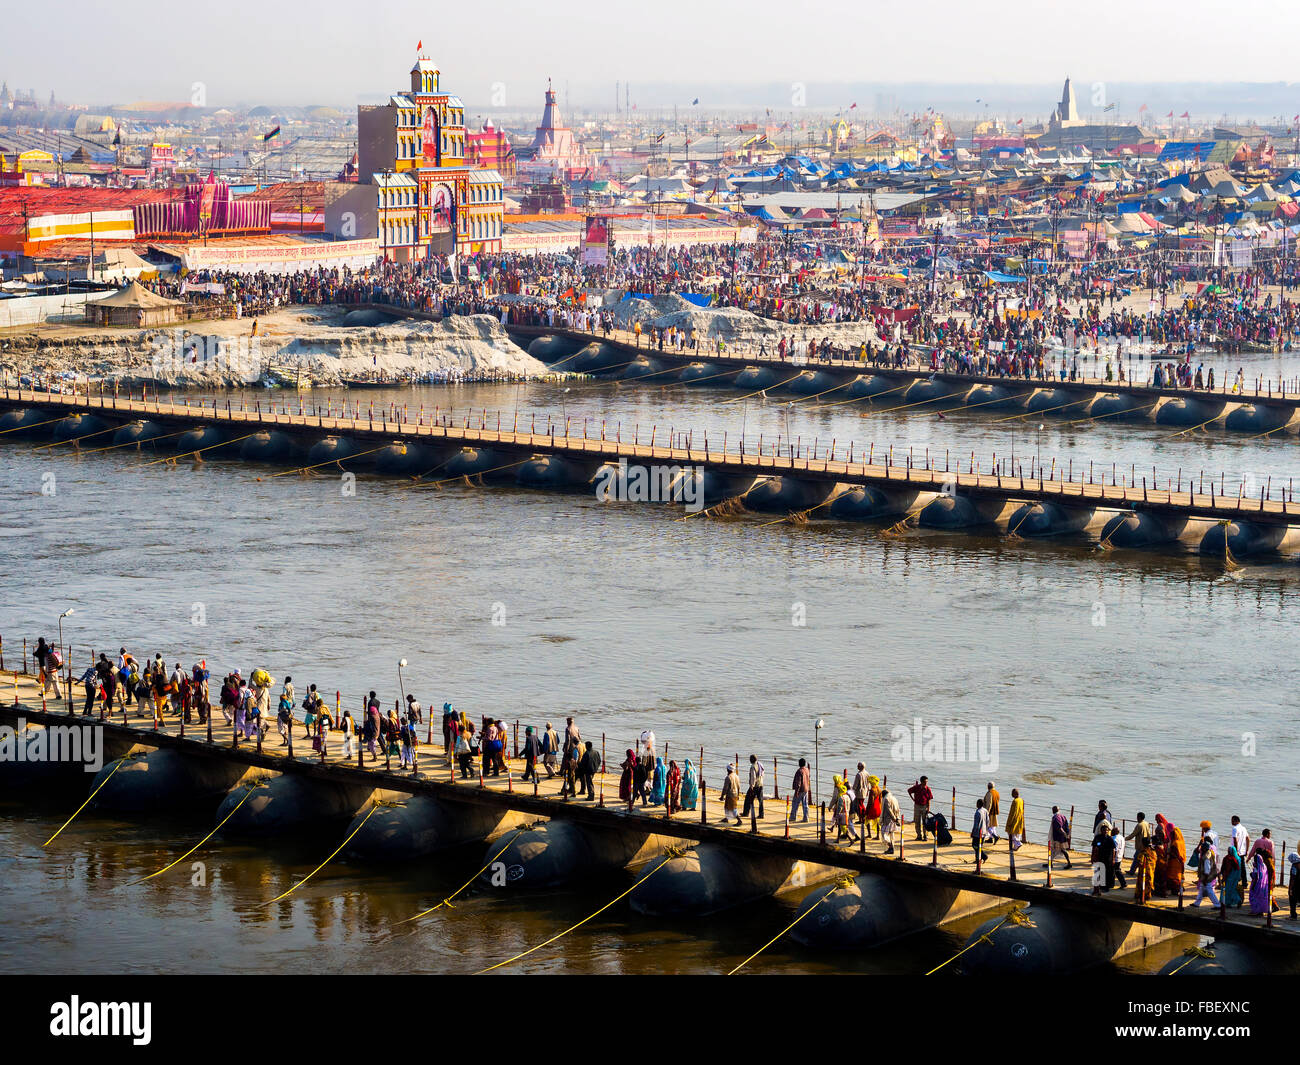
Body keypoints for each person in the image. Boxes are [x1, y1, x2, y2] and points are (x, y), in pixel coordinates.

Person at [1153, 814, 1185, 897]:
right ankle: (1176, 889)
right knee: (1175, 876)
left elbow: (1175, 853)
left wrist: (1167, 855)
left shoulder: (1175, 843)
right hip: (1177, 862)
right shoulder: (1177, 841)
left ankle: (1175, 890)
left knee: (1172, 876)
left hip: (1174, 861)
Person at [1247, 830, 1278, 915]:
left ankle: (1265, 905)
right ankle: (1269, 904)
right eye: (1270, 834)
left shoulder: (1257, 841)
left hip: (1259, 864)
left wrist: (1248, 858)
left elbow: (1253, 851)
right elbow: (1273, 855)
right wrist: (1273, 865)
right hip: (1268, 864)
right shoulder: (1270, 842)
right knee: (1268, 885)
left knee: (1260, 886)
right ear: (1268, 834)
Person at [1190, 824, 1220, 908]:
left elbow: (1207, 869)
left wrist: (1205, 878)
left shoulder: (1206, 857)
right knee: (1201, 890)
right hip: (1205, 876)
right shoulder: (1210, 851)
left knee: (1210, 891)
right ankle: (1197, 903)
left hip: (1207, 876)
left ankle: (1217, 905)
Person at [908, 776, 932, 841]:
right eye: (925, 782)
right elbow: (909, 791)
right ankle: (919, 836)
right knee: (917, 821)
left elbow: (929, 799)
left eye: (926, 782)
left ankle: (925, 836)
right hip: (917, 806)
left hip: (925, 806)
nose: (926, 783)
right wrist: (913, 799)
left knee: (925, 822)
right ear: (921, 782)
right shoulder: (916, 787)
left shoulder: (928, 789)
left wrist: (928, 808)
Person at [741, 755, 765, 820]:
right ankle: (761, 814)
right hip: (761, 784)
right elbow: (763, 773)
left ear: (751, 760)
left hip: (755, 786)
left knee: (748, 799)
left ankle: (745, 813)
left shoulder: (752, 767)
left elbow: (753, 777)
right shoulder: (760, 764)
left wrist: (752, 786)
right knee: (760, 800)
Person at [880, 787, 901, 853]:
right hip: (895, 819)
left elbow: (889, 811)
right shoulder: (894, 798)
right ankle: (891, 849)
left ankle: (890, 846)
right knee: (892, 834)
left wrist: (894, 819)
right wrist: (897, 818)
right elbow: (898, 808)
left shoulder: (886, 799)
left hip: (888, 820)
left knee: (884, 834)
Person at [972, 798, 992, 865]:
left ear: (978, 804)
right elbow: (988, 821)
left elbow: (976, 824)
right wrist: (987, 829)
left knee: (975, 845)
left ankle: (983, 856)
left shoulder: (977, 813)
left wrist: (973, 832)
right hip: (984, 832)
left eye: (977, 803)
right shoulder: (985, 811)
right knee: (979, 846)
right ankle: (978, 859)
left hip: (978, 833)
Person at [791, 758, 811, 823]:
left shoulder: (799, 771)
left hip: (800, 790)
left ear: (799, 764)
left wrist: (796, 791)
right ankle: (806, 818)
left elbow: (798, 783)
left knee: (795, 803)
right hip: (806, 789)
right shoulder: (807, 770)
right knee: (805, 804)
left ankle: (793, 817)